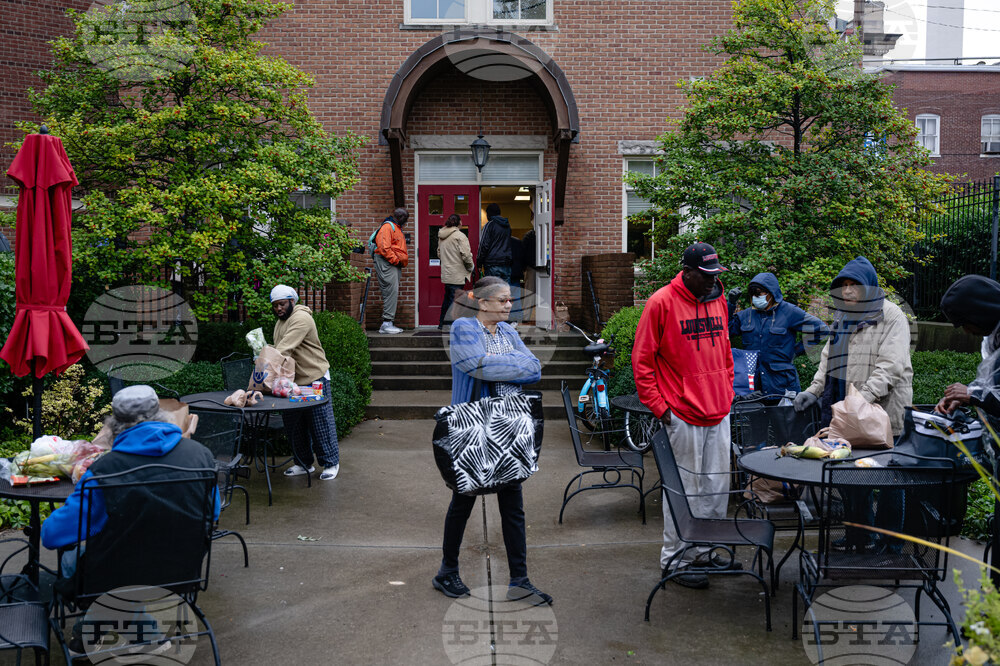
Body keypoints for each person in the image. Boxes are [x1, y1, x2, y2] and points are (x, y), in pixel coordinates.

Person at [432, 276, 551, 605]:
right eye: (502, 300)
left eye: (510, 300)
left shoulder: (510, 331)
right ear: (482, 303)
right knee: (463, 500)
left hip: (509, 425)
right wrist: (514, 363)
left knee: (513, 505)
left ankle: (521, 580)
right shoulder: (463, 329)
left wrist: (502, 364)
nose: (509, 305)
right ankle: (447, 571)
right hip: (473, 426)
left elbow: (535, 369)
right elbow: (475, 366)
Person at [632, 242, 735, 589]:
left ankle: (704, 552)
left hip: (719, 410)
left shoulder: (717, 298)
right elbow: (642, 362)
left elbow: (724, 351)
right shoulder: (661, 302)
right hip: (683, 413)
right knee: (684, 490)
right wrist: (662, 409)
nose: (711, 281)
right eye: (704, 276)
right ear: (686, 272)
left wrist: (728, 391)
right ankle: (676, 559)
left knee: (717, 488)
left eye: (715, 275)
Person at [793, 256, 913, 552]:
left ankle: (890, 544)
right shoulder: (842, 317)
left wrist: (860, 401)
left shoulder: (892, 316)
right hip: (846, 413)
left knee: (888, 480)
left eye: (854, 285)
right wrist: (814, 389)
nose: (847, 292)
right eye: (843, 286)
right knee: (849, 475)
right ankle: (860, 536)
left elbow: (891, 367)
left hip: (883, 414)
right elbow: (827, 360)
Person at [42, 385, 221, 578]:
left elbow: (52, 535)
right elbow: (214, 511)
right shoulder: (200, 455)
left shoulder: (103, 472)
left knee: (70, 559)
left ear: (113, 424)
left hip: (113, 580)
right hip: (181, 573)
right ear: (161, 414)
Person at [271, 285, 341, 481]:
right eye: (275, 305)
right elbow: (278, 347)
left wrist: (264, 361)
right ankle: (303, 463)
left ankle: (330, 463)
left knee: (320, 422)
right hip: (292, 382)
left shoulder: (301, 319)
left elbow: (284, 348)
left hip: (313, 377)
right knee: (294, 424)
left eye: (282, 304)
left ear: (292, 301)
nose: (278, 308)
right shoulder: (280, 322)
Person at [727, 272, 830, 396]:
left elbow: (821, 329)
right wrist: (730, 304)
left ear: (771, 293)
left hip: (782, 383)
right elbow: (725, 331)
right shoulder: (746, 315)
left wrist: (796, 350)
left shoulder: (789, 312)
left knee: (785, 415)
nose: (756, 297)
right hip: (752, 385)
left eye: (759, 293)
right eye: (753, 294)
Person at [936, 275, 1000, 424]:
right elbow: (992, 384)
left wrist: (972, 394)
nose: (966, 331)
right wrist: (963, 397)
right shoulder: (994, 340)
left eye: (965, 322)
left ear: (981, 313)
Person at [373, 207, 409, 334]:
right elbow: (384, 248)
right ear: (400, 217)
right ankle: (387, 323)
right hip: (388, 263)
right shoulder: (388, 227)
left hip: (391, 264)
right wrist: (396, 260)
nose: (406, 222)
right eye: (405, 219)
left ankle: (388, 323)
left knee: (392, 291)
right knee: (390, 291)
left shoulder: (394, 227)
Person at [437, 213, 474, 330]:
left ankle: (442, 323)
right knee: (455, 301)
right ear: (459, 222)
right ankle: (449, 325)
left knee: (447, 298)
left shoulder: (441, 236)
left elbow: (439, 253)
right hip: (457, 273)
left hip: (447, 273)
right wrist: (470, 267)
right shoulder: (460, 236)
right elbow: (466, 256)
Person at [476, 203, 512, 284]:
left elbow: (483, 245)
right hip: (506, 264)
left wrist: (479, 263)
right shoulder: (507, 226)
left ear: (489, 214)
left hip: (492, 264)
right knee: (504, 293)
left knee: (492, 292)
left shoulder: (489, 225)